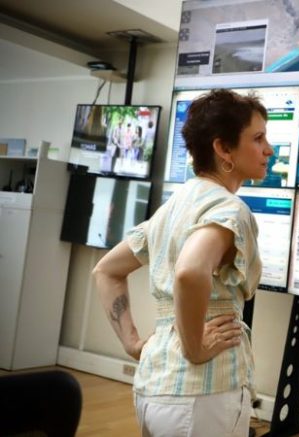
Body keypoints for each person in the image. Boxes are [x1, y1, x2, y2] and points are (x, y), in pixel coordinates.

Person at [92, 89, 274, 436]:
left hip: (154, 387)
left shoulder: (172, 209)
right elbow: (190, 271)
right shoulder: (229, 209)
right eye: (258, 138)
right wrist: (195, 348)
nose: (269, 149)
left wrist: (132, 343)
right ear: (224, 149)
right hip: (203, 395)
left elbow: (106, 270)